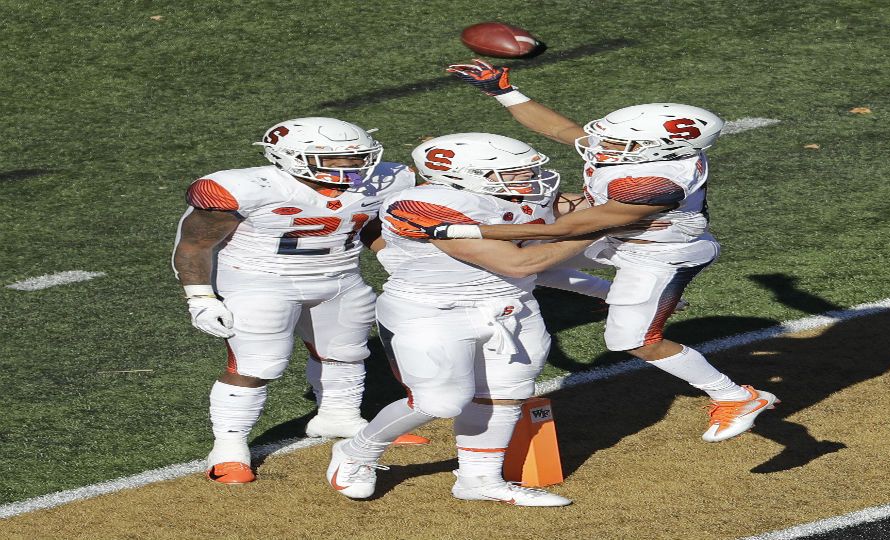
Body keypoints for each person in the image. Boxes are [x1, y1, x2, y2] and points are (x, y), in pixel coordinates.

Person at [418, 60, 779, 443]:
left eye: (622, 143)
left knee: (634, 340)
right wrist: (505, 92)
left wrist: (469, 229)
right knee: (515, 264)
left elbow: (574, 227)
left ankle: (736, 397)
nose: (604, 146)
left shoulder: (659, 182)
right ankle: (612, 293)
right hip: (617, 235)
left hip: (657, 254)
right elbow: (562, 130)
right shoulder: (647, 155)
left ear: (662, 149)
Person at [325, 133, 602, 506]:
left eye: (526, 168)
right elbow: (517, 262)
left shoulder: (527, 196)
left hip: (512, 307)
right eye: (511, 172)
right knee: (438, 402)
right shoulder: (421, 204)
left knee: (506, 394)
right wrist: (600, 227)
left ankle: (478, 480)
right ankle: (356, 452)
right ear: (462, 176)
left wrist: (613, 286)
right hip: (431, 312)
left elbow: (534, 266)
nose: (529, 177)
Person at [172, 117, 423, 484]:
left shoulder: (383, 179)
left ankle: (340, 417)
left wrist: (391, 256)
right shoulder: (246, 188)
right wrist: (200, 298)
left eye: (356, 157)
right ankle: (228, 446)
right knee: (258, 364)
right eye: (336, 160)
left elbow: (368, 219)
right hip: (259, 282)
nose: (351, 167)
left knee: (346, 352)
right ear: (290, 157)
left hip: (340, 277)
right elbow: (195, 244)